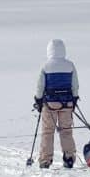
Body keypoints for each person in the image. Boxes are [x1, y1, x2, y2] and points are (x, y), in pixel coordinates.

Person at [34, 38, 78, 168]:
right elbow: (75, 84)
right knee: (66, 131)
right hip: (67, 103)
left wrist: (38, 99)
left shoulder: (46, 66)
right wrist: (74, 98)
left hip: (49, 104)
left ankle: (45, 160)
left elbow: (39, 86)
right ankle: (69, 157)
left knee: (48, 132)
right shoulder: (70, 65)